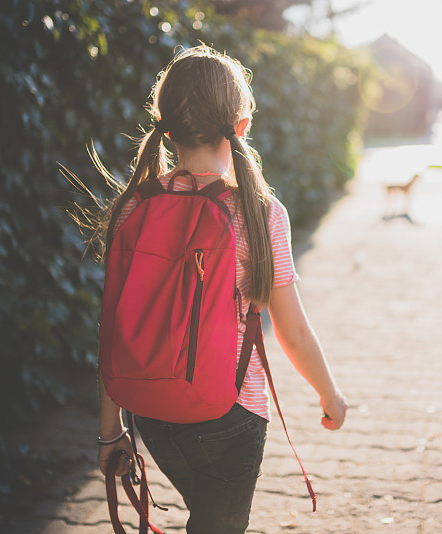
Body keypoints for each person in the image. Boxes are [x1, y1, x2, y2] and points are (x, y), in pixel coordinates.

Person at [95, 45, 348, 533]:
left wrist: (110, 434)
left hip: (149, 409)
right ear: (243, 124)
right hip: (230, 414)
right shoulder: (260, 213)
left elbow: (112, 325)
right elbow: (291, 328)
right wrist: (329, 395)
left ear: (165, 125)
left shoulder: (134, 206)